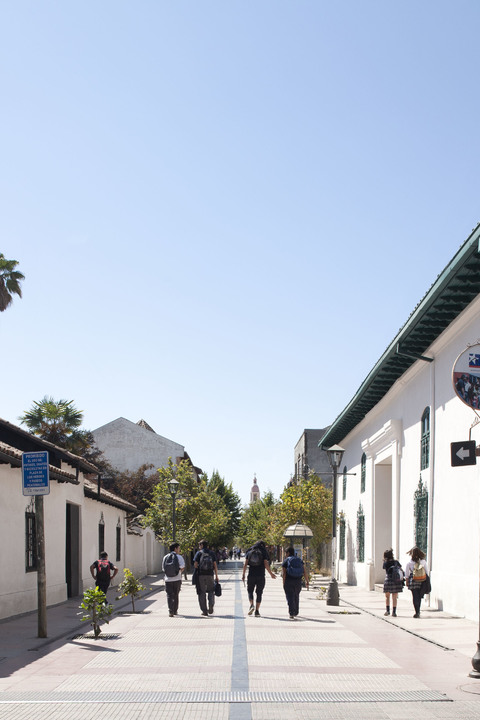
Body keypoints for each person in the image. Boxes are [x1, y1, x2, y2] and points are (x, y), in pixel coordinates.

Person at [242, 540, 276, 617]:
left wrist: (243, 575)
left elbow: (245, 564)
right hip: (261, 575)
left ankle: (251, 605)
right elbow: (266, 564)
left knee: (250, 591)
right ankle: (257, 611)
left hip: (251, 575)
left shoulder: (250, 551)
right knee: (259, 592)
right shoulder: (264, 552)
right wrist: (271, 574)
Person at [193, 539, 219, 616]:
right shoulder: (212, 553)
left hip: (201, 575)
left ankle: (204, 611)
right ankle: (211, 604)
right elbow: (215, 565)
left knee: (202, 592)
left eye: (199, 545)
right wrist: (216, 576)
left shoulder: (199, 553)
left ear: (201, 545)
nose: (199, 547)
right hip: (210, 574)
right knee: (211, 590)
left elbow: (195, 564)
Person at [282, 547, 309, 619]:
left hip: (289, 581)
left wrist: (283, 583)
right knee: (296, 596)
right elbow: (304, 571)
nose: (285, 554)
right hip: (298, 581)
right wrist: (307, 581)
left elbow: (284, 573)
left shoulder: (286, 561)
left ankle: (291, 613)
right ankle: (296, 611)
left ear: (288, 553)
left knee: (289, 596)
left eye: (285, 553)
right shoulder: (299, 560)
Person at [405, 546, 429, 618]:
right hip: (422, 580)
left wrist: (407, 581)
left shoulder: (409, 563)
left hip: (413, 580)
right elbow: (426, 572)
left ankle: (416, 611)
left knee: (414, 596)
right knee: (419, 596)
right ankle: (418, 611)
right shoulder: (423, 562)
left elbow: (406, 574)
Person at [163, 542, 185, 617]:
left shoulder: (165, 557)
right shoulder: (179, 557)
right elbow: (182, 567)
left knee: (169, 595)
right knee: (176, 595)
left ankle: (170, 611)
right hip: (177, 579)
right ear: (175, 548)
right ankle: (175, 610)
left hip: (168, 579)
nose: (179, 550)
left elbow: (163, 569)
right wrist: (178, 572)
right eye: (178, 548)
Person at [382, 548, 404, 617]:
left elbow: (384, 568)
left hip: (388, 579)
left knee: (387, 597)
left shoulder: (385, 563)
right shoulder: (396, 562)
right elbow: (400, 568)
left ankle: (387, 610)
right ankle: (394, 612)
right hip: (395, 580)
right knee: (394, 597)